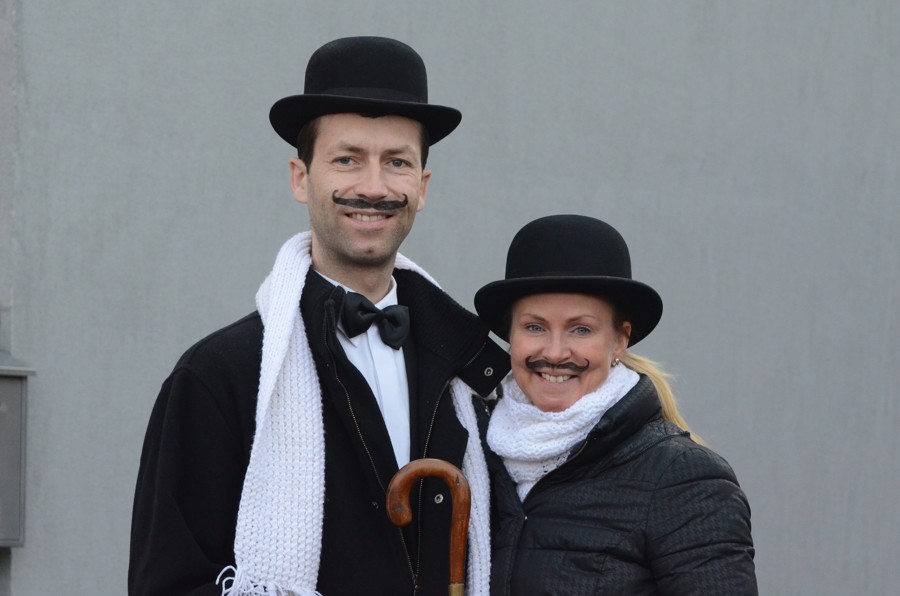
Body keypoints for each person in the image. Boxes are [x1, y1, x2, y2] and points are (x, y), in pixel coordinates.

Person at [128, 37, 509, 596]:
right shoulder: (218, 375)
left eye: (397, 162)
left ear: (422, 187)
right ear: (300, 178)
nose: (374, 187)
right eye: (347, 159)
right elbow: (169, 584)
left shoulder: (473, 372)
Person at [472, 214, 758, 595]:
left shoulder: (684, 478)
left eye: (581, 329)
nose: (554, 353)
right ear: (511, 335)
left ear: (620, 339)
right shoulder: (473, 457)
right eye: (534, 327)